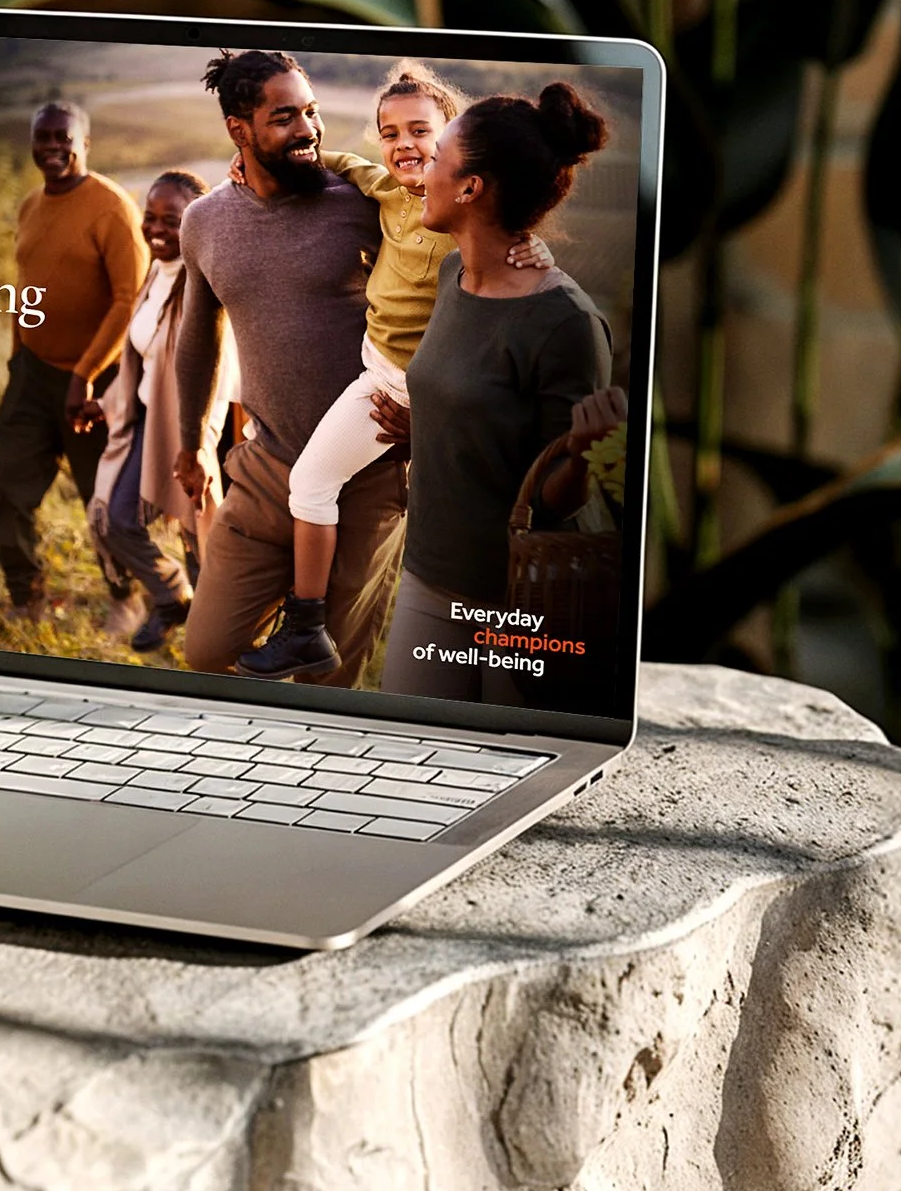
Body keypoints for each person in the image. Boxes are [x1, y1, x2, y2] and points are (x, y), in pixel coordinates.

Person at [236, 64, 551, 679]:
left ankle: (477, 649)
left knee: (425, 523)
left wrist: (534, 248)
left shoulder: (469, 215)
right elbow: (342, 164)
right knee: (312, 485)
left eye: (420, 131)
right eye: (390, 132)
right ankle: (307, 628)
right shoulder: (384, 190)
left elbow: (516, 251)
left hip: (419, 393)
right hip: (374, 378)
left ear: (454, 139)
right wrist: (254, 168)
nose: (403, 144)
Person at [370, 83, 625, 704]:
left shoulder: (565, 323)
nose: (421, 169)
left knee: (503, 767)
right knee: (406, 760)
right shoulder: (455, 274)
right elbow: (469, 397)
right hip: (430, 574)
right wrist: (428, 424)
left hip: (515, 603)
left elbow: (555, 499)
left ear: (470, 188)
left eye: (439, 159)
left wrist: (588, 451)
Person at [170, 50, 405, 687]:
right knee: (206, 651)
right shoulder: (206, 221)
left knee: (332, 678)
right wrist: (192, 442)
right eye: (285, 117)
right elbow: (198, 338)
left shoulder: (357, 205)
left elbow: (437, 289)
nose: (307, 128)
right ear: (238, 130)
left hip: (369, 473)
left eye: (312, 112)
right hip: (267, 470)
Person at [0, 101, 147, 616]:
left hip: (95, 385)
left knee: (100, 502)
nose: (53, 148)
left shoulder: (111, 208)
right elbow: (27, 290)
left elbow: (130, 299)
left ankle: (126, 603)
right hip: (32, 376)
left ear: (85, 143)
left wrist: (83, 375)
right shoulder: (31, 204)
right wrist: (18, 359)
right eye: (44, 138)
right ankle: (27, 600)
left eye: (64, 138)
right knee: (9, 492)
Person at [87, 171, 237, 654]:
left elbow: (219, 377)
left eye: (171, 220)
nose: (156, 229)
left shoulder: (207, 284)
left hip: (196, 433)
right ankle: (171, 596)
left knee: (198, 538)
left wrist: (199, 449)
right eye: (150, 217)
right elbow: (144, 357)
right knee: (117, 517)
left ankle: (211, 644)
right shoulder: (156, 273)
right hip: (151, 423)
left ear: (197, 222)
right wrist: (105, 402)